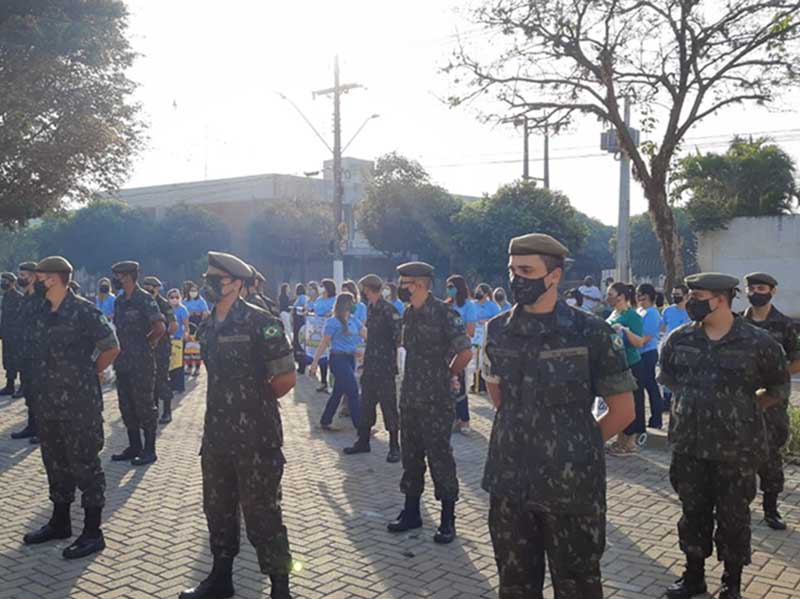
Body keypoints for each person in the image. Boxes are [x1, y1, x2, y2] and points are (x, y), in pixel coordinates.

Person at [481, 233, 636, 599]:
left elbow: (623, 410)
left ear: (554, 275)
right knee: (515, 585)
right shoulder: (497, 330)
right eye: (512, 270)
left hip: (571, 489)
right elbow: (497, 395)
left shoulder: (592, 332)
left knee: (578, 585)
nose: (517, 278)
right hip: (511, 482)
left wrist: (576, 447)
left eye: (527, 270)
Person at [658, 273, 790, 599]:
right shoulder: (680, 338)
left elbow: (778, 388)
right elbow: (668, 376)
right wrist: (696, 403)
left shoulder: (758, 342)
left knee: (734, 518)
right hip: (689, 446)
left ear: (719, 299)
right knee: (692, 514)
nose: (691, 300)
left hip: (737, 450)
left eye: (697, 295)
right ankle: (693, 578)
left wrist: (740, 407)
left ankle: (731, 583)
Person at [179, 251, 296, 599]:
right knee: (217, 507)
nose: (210, 284)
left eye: (217, 279)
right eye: (208, 278)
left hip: (256, 437)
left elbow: (286, 377)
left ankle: (280, 587)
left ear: (237, 283)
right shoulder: (208, 324)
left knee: (263, 513)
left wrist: (255, 403)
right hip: (216, 434)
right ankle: (220, 579)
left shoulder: (262, 322)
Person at [22, 257, 120, 559]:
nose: (35, 282)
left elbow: (111, 346)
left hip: (79, 404)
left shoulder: (83, 310)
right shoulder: (40, 311)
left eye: (40, 277)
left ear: (55, 278)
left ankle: (92, 532)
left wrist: (89, 374)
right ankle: (60, 522)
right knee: (55, 462)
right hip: (48, 401)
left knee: (85, 465)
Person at [387, 262, 472, 545]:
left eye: (406, 282)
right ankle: (411, 513)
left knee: (440, 457)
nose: (401, 287)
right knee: (411, 456)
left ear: (421, 284)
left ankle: (448, 520)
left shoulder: (445, 314)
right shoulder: (409, 313)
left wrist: (448, 374)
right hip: (410, 396)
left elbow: (465, 353)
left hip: (436, 399)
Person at [742, 272, 800, 531]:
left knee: (770, 454)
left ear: (773, 291)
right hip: (740, 400)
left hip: (772, 402)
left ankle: (771, 508)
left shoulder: (785, 324)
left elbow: (797, 359)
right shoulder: (736, 323)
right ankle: (738, 504)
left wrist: (777, 376)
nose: (756, 291)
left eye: (761, 287)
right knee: (738, 453)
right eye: (752, 287)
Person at [110, 261, 166, 466]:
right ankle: (134, 446)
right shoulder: (119, 301)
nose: (116, 279)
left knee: (144, 405)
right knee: (126, 405)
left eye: (118, 275)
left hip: (141, 362)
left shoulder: (144, 299)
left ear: (128, 276)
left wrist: (146, 345)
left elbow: (160, 327)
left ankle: (149, 450)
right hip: (123, 361)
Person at [343, 274, 402, 462]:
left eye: (364, 289)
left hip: (384, 367)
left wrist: (386, 351)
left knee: (389, 406)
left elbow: (398, 336)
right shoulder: (371, 308)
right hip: (370, 365)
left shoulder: (388, 309)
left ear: (369, 289)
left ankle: (394, 446)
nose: (363, 293)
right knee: (366, 404)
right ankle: (363, 441)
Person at [309, 292, 362, 431]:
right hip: (338, 359)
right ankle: (361, 426)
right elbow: (324, 343)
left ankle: (325, 420)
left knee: (338, 391)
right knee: (353, 390)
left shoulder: (354, 320)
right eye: (352, 302)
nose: (355, 305)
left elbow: (366, 334)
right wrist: (315, 363)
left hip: (350, 358)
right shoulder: (333, 322)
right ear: (346, 304)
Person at [605, 282, 647, 455]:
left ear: (621, 296)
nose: (608, 298)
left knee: (634, 403)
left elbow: (639, 342)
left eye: (611, 294)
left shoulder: (632, 316)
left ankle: (630, 442)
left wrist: (624, 330)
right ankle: (620, 440)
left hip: (632, 364)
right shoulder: (613, 313)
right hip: (618, 365)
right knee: (620, 403)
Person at [10, 261, 42, 440]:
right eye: (20, 275)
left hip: (38, 354)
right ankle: (32, 426)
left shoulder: (40, 298)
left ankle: (41, 429)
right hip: (25, 353)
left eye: (24, 276)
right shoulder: (25, 298)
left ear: (34, 276)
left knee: (38, 393)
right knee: (29, 392)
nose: (20, 279)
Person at [444, 275, 477, 434]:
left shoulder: (468, 306)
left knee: (460, 383)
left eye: (451, 286)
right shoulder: (446, 306)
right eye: (447, 286)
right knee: (446, 382)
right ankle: (452, 418)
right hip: (446, 351)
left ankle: (464, 420)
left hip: (460, 349)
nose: (448, 289)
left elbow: (470, 330)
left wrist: (456, 332)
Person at [143, 276, 177, 425]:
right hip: (146, 346)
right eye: (146, 286)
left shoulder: (163, 304)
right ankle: (153, 410)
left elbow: (173, 325)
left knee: (162, 379)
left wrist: (163, 336)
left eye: (151, 287)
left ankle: (167, 411)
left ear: (157, 288)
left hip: (161, 347)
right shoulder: (143, 302)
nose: (148, 289)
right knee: (150, 380)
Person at [635, 284, 665, 429]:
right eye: (638, 294)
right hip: (639, 353)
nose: (639, 297)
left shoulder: (652, 313)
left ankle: (656, 419)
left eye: (642, 294)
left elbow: (646, 336)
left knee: (650, 386)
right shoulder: (640, 310)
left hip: (648, 352)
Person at [660, 284, 690, 409]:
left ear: (686, 296)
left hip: (687, 349)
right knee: (668, 373)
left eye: (678, 295)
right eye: (673, 295)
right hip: (670, 347)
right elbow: (662, 327)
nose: (675, 297)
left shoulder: (691, 311)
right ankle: (667, 401)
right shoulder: (668, 310)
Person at [312, 279, 337, 393]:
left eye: (323, 286)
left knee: (331, 357)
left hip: (332, 331)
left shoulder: (334, 299)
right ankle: (323, 381)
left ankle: (332, 383)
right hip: (319, 329)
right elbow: (317, 311)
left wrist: (330, 313)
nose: (321, 288)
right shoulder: (319, 299)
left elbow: (335, 312)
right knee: (322, 356)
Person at [0, 272, 23, 396]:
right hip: (7, 334)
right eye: (2, 280)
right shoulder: (5, 297)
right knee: (8, 360)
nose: (3, 283)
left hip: (16, 335)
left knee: (18, 360)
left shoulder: (18, 297)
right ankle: (9, 385)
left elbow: (20, 317)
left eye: (6, 280)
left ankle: (22, 386)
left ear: (13, 282)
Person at [183, 282, 209, 377]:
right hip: (188, 326)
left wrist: (199, 313)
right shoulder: (184, 301)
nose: (193, 293)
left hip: (198, 326)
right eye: (191, 291)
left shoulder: (201, 301)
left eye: (194, 291)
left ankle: (197, 368)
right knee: (188, 349)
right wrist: (189, 313)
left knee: (196, 349)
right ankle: (189, 366)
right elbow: (182, 312)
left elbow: (206, 312)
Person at [167, 288, 189, 394]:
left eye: (176, 297)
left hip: (178, 340)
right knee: (169, 363)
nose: (174, 299)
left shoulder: (182, 309)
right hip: (168, 339)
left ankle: (179, 387)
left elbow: (186, 325)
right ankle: (171, 386)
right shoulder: (166, 309)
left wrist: (185, 334)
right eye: (172, 297)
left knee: (178, 364)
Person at [291, 283, 307, 374]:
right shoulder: (299, 298)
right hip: (297, 323)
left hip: (300, 323)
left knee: (300, 344)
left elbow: (301, 308)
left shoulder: (302, 298)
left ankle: (302, 365)